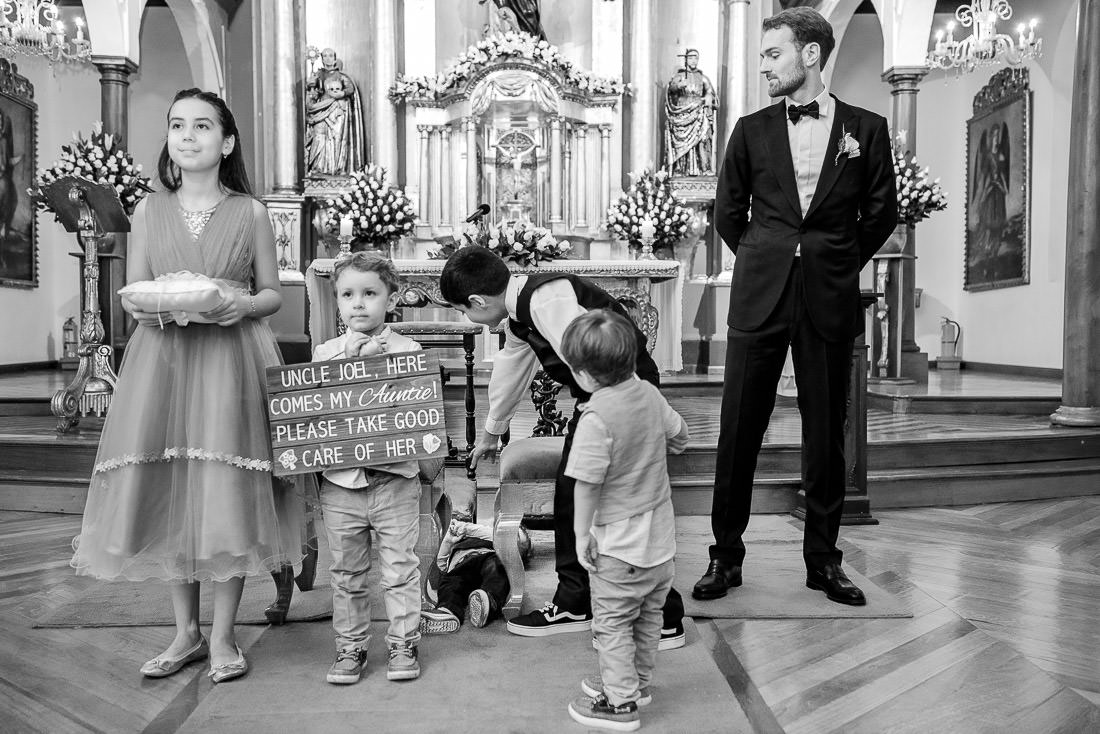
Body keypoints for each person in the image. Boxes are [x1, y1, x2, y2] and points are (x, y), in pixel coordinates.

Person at [69, 88, 303, 684]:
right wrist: (150, 309)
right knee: (172, 485)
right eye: (178, 125)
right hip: (163, 360)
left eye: (203, 126)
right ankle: (185, 632)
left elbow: (274, 294)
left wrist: (242, 304)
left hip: (230, 357)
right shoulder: (148, 210)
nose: (188, 135)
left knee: (224, 490)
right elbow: (138, 292)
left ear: (227, 143)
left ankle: (224, 636)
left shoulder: (250, 211)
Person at [693, 8, 897, 606]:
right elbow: (728, 212)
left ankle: (824, 561)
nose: (764, 67)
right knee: (738, 432)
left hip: (829, 298)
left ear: (810, 55)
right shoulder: (749, 130)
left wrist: (832, 260)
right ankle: (724, 558)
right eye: (762, 56)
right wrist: (766, 254)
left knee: (826, 433)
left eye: (773, 54)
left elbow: (881, 212)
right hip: (760, 297)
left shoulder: (869, 127)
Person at [438, 247, 687, 649]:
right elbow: (510, 370)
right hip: (600, 400)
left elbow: (590, 356)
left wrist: (626, 416)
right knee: (573, 495)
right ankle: (578, 601)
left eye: (463, 312)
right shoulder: (520, 316)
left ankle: (660, 615)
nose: (469, 320)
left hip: (621, 394)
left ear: (477, 302)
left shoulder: (546, 298)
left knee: (609, 504)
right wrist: (489, 434)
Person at [560, 310, 688, 733]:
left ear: (583, 375)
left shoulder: (596, 418)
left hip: (619, 544)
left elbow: (586, 483)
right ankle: (635, 685)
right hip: (661, 542)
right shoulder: (649, 394)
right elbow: (680, 434)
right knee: (649, 619)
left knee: (613, 624)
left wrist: (581, 535)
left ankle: (619, 706)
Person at [312, 251, 424, 685]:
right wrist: (348, 365)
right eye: (348, 294)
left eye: (370, 293)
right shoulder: (325, 353)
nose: (358, 303)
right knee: (346, 572)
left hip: (393, 479)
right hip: (341, 484)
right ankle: (351, 647)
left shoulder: (409, 350)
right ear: (337, 302)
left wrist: (377, 363)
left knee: (399, 567)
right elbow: (314, 408)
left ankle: (402, 642)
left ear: (390, 300)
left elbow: (415, 410)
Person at [419, 518, 510, 633]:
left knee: (496, 571)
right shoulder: (460, 542)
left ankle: (487, 603)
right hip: (462, 565)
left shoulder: (497, 540)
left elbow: (505, 540)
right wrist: (448, 542)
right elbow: (441, 567)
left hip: (488, 558)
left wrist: (465, 528)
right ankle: (447, 612)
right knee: (452, 582)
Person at [304, 48, 365, 177]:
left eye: (330, 55)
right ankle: (318, 168)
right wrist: (310, 86)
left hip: (336, 112)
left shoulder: (342, 76)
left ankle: (337, 168)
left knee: (336, 139)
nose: (328, 58)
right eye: (325, 56)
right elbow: (312, 95)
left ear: (335, 58)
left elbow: (350, 88)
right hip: (320, 110)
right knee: (319, 137)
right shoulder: (317, 75)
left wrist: (339, 94)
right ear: (321, 58)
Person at [664, 49, 718, 177]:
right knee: (681, 142)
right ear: (686, 59)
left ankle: (704, 168)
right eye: (691, 58)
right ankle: (680, 169)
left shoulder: (703, 78)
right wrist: (678, 86)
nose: (694, 60)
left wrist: (709, 96)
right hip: (682, 114)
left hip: (699, 112)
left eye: (696, 58)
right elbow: (671, 89)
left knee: (704, 139)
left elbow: (710, 92)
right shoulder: (679, 76)